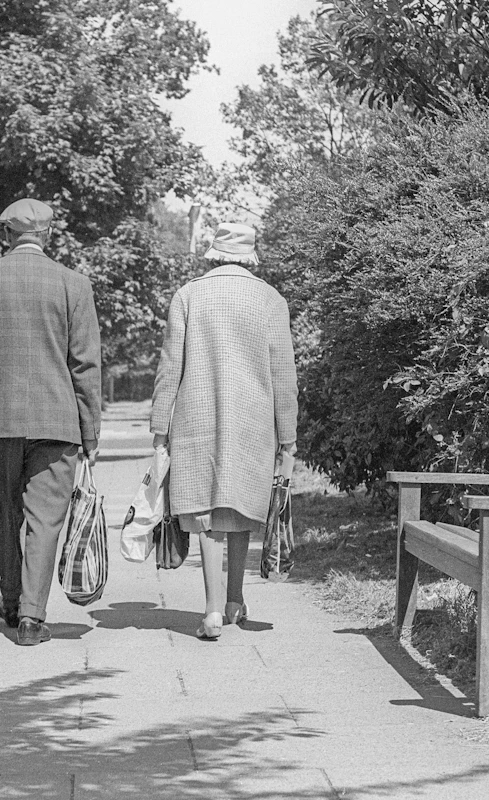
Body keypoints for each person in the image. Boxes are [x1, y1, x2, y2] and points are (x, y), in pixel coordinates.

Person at [0, 197, 102, 646]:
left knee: (5, 513)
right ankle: (32, 618)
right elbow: (85, 366)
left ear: (6, 235)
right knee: (45, 518)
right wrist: (91, 431)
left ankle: (11, 599)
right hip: (58, 422)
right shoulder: (74, 285)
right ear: (49, 235)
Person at [150, 222, 298, 640]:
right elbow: (284, 376)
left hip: (197, 416)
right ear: (250, 254)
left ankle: (212, 611)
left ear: (215, 251)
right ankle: (235, 602)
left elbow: (169, 369)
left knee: (206, 511)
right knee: (239, 508)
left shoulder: (188, 294)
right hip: (253, 419)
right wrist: (288, 435)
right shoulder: (270, 299)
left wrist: (160, 427)